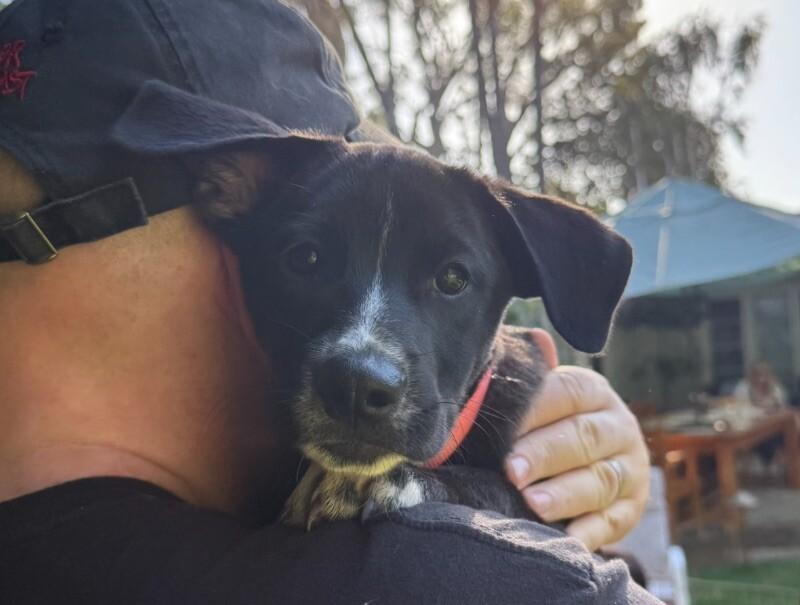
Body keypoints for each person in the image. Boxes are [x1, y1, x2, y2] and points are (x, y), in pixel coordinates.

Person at [0, 1, 654, 603]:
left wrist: (570, 465)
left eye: (450, 279)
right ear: (220, 200)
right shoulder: (435, 575)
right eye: (307, 258)